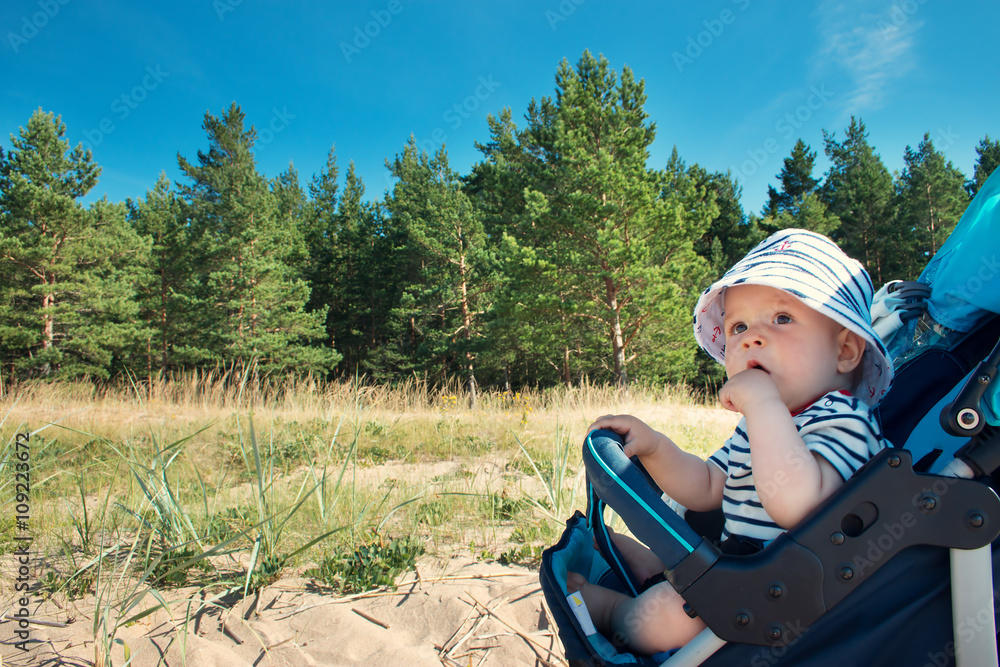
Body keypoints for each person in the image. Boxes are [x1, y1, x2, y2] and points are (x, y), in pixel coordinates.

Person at [566, 228, 894, 656]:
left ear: (845, 351)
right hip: (740, 564)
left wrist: (762, 407)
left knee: (664, 619)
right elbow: (707, 486)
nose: (750, 337)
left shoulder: (846, 422)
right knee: (690, 562)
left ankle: (612, 612)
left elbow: (799, 505)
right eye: (738, 325)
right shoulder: (760, 423)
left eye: (781, 318)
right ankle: (648, 562)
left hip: (787, 592)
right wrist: (656, 447)